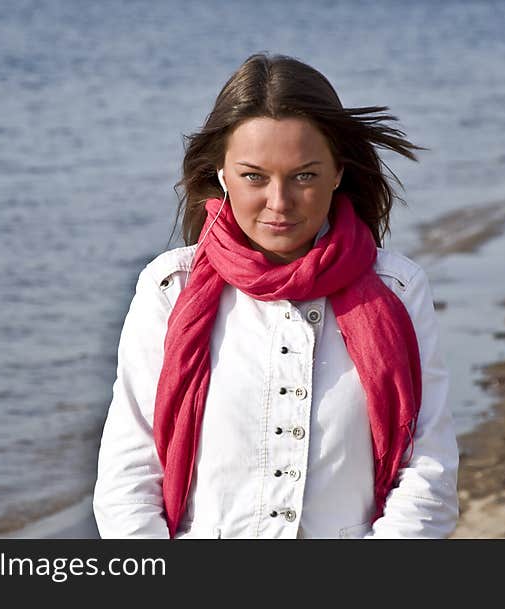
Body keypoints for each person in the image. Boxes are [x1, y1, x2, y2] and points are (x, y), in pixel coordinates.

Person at [93, 53, 459, 539]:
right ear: (222, 175)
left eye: (304, 175)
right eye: (253, 176)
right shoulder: (168, 289)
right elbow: (128, 475)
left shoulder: (398, 289)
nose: (279, 202)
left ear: (337, 173)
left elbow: (427, 468)